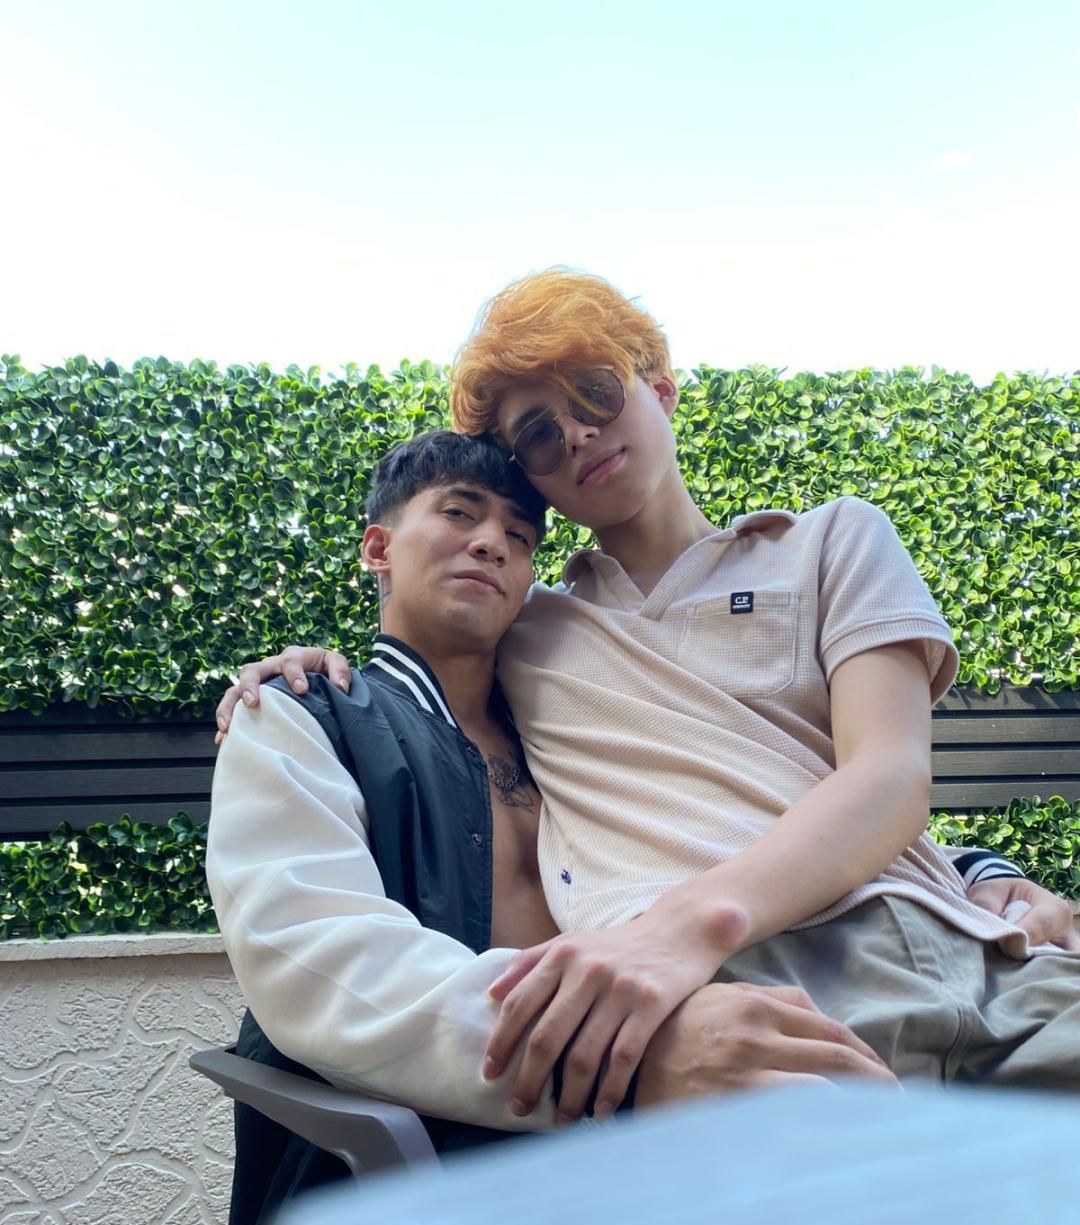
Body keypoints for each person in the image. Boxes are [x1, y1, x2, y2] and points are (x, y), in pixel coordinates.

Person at [214, 268, 1080, 1144]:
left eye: (595, 390)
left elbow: (884, 776)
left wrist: (980, 871)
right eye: (538, 434)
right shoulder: (523, 634)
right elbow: (419, 686)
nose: (577, 432)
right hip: (765, 999)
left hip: (991, 961)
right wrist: (305, 676)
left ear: (661, 389)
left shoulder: (834, 540)